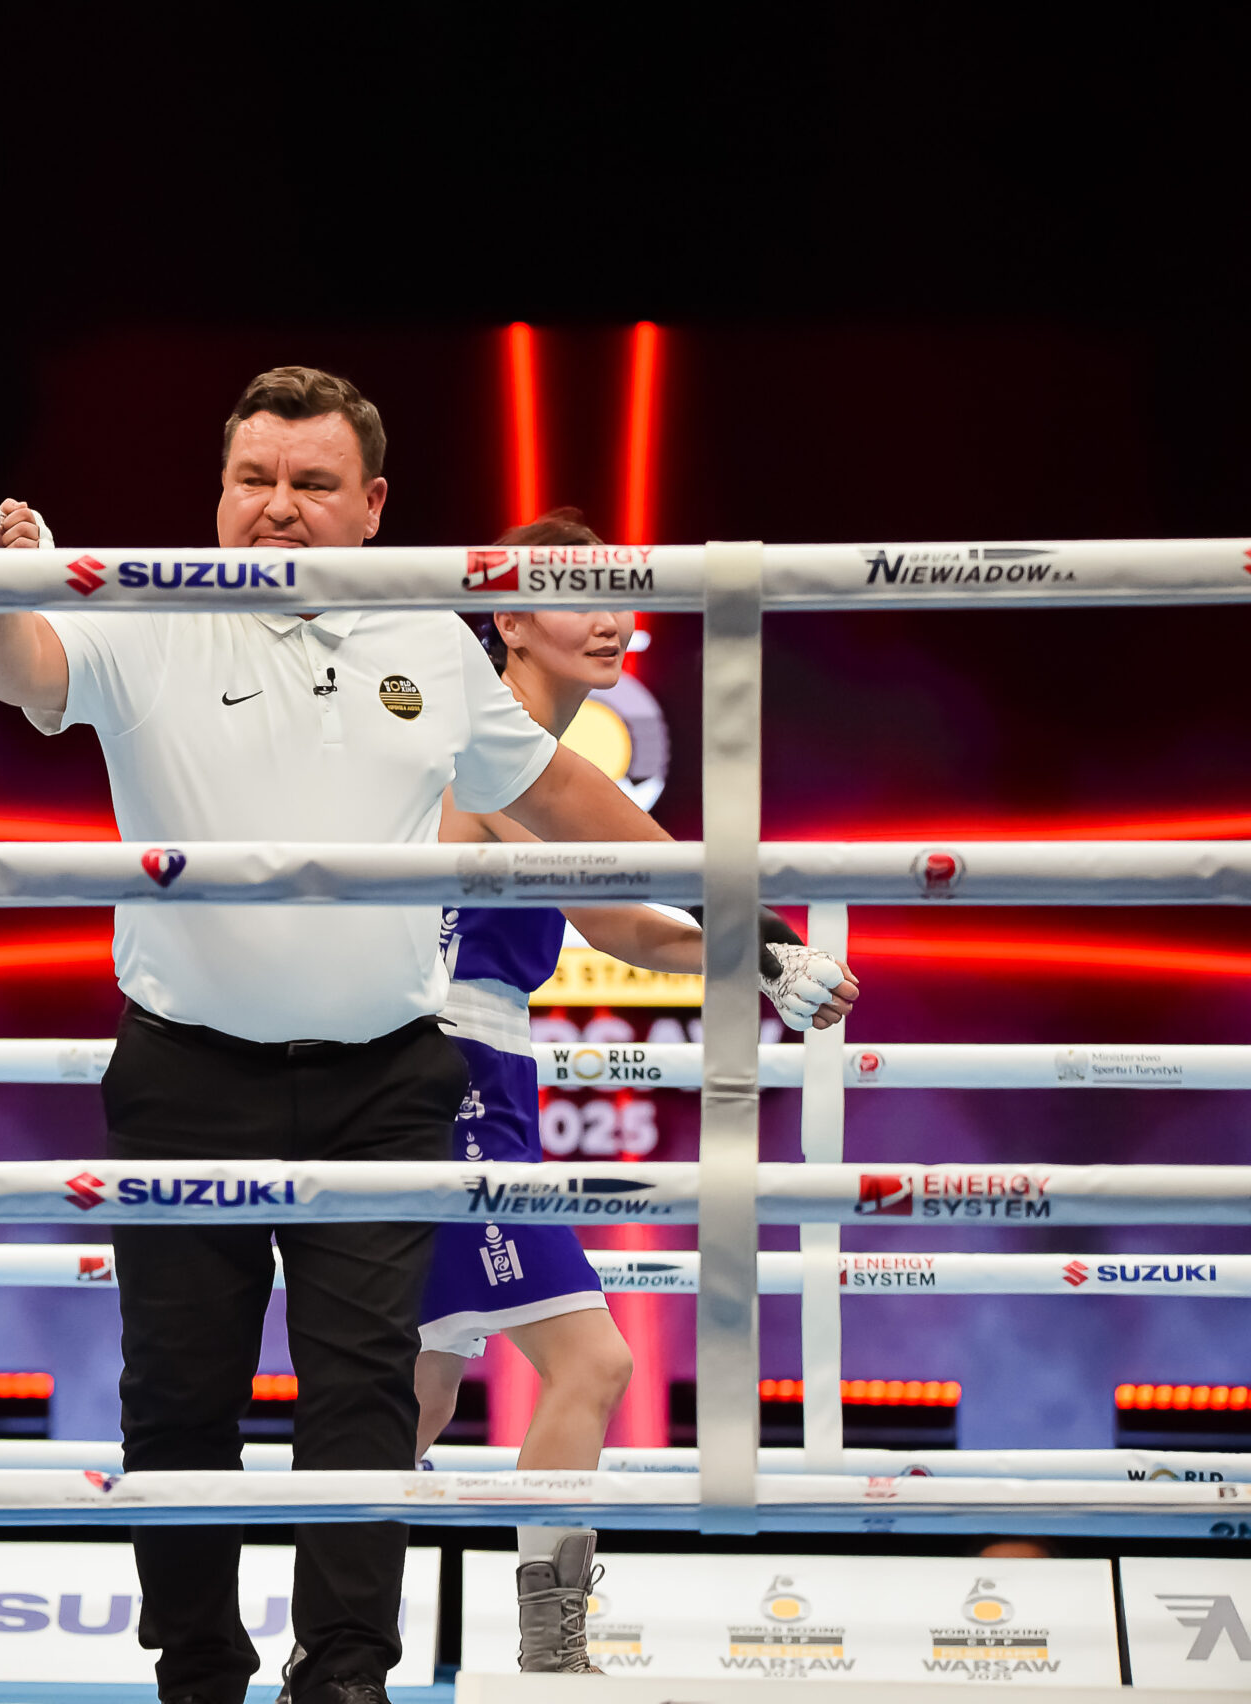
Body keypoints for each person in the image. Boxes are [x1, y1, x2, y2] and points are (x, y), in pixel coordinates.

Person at [0, 367, 683, 1704]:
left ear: (373, 505)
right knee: (180, 1395)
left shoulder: (428, 640)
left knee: (370, 1394)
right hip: (186, 1073)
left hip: (386, 1080)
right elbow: (22, 669)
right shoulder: (149, 613)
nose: (277, 505)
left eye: (311, 483)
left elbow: (563, 794)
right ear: (219, 491)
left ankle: (346, 1678)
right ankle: (197, 1672)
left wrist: (731, 903)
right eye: (254, 479)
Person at [413, 508, 860, 1674]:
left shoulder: (529, 760)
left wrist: (757, 965)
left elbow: (622, 923)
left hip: (479, 1080)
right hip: (450, 1079)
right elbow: (656, 869)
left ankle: (331, 1645)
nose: (609, 617)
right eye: (575, 595)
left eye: (617, 592)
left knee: (411, 1400)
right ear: (510, 620)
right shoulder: (488, 741)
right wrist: (766, 943)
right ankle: (548, 1652)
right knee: (592, 1362)